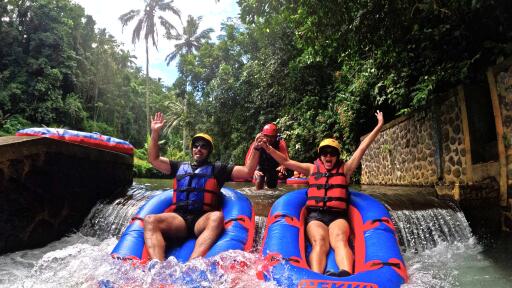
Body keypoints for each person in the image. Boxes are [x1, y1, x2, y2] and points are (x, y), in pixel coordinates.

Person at [259, 111, 384, 277]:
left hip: (338, 217)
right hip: (315, 216)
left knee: (339, 240)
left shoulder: (346, 169)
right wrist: (267, 148)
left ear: (337, 156)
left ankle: (345, 274)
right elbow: (286, 162)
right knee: (320, 242)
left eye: (332, 153)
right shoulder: (311, 169)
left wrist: (379, 125)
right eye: (324, 152)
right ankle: (316, 277)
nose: (328, 156)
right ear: (320, 155)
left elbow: (363, 147)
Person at [144, 112, 264, 261]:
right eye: (195, 145)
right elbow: (153, 159)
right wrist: (155, 132)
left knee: (217, 216)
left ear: (209, 150)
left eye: (203, 146)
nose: (198, 148)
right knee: (150, 219)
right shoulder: (178, 166)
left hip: (202, 220)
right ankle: (157, 265)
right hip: (178, 220)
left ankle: (192, 264)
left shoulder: (218, 169)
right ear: (192, 149)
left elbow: (247, 171)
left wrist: (257, 148)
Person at [245, 123, 289, 190]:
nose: (269, 139)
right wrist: (253, 170)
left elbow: (286, 158)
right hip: (261, 165)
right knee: (259, 180)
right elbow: (248, 160)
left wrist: (282, 166)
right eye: (267, 136)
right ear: (262, 135)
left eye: (272, 137)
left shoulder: (280, 143)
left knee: (272, 186)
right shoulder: (256, 143)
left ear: (276, 136)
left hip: (274, 166)